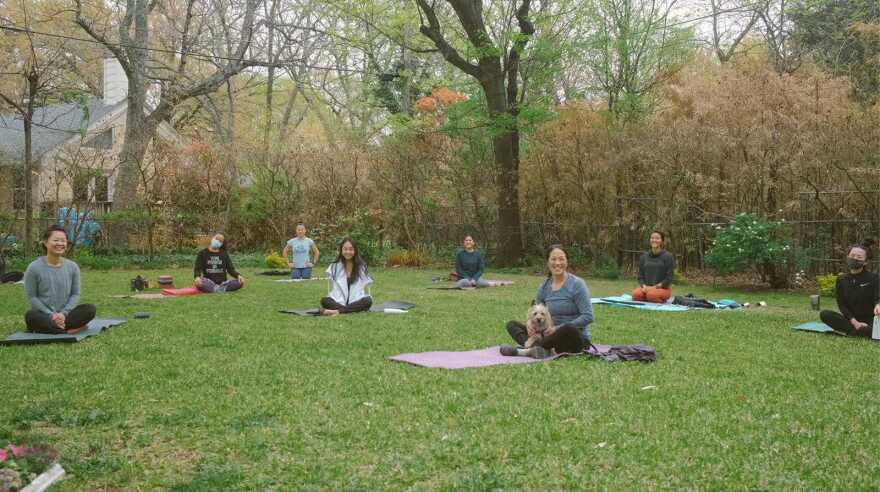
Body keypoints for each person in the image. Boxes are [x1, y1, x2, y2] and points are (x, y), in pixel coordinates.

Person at [501, 244, 594, 358]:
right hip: (546, 334)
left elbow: (588, 316)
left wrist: (557, 328)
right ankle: (542, 349)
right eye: (553, 259)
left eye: (561, 259)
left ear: (567, 261)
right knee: (512, 325)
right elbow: (535, 310)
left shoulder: (577, 284)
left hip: (573, 338)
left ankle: (527, 351)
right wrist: (530, 323)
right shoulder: (544, 287)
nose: (557, 263)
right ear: (548, 262)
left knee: (568, 328)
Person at [23, 226, 96, 334]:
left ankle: (54, 330)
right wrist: (51, 315)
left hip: (66, 315)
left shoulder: (73, 267)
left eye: (63, 241)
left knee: (90, 309)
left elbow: (75, 294)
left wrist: (63, 313)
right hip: (44, 315)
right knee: (30, 316)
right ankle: (69, 330)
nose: (60, 244)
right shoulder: (33, 267)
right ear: (45, 242)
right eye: (56, 240)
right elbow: (32, 297)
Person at [819, 241, 880, 337]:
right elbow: (842, 305)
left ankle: (858, 331)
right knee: (825, 314)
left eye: (859, 257)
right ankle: (862, 332)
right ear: (848, 257)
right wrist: (855, 322)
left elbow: (878, 298)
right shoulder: (841, 279)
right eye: (852, 255)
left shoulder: (874, 278)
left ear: (866, 262)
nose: (855, 258)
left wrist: (878, 305)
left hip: (872, 320)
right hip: (851, 320)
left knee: (875, 326)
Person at [320, 238, 373, 315]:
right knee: (325, 300)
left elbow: (368, 282)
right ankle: (348, 310)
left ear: (355, 251)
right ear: (341, 251)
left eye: (351, 249)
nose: (348, 252)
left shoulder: (361, 267)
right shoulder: (335, 266)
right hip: (339, 300)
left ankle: (337, 311)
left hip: (356, 299)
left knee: (368, 301)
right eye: (345, 249)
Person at [632, 230, 675, 303]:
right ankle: (649, 297)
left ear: (662, 241)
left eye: (657, 238)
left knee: (652, 295)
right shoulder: (644, 257)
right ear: (650, 240)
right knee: (635, 294)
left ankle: (655, 298)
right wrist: (644, 286)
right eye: (652, 238)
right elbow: (640, 276)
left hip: (663, 289)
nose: (654, 240)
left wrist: (654, 287)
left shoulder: (668, 256)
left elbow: (669, 278)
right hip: (646, 288)